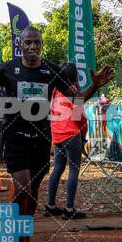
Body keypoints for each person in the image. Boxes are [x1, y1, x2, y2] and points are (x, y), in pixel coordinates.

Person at [0, 26, 113, 242]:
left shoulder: (51, 71)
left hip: (41, 139)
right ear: (20, 45)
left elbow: (78, 99)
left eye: (37, 43)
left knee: (32, 193)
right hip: (14, 137)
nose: (33, 47)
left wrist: (95, 86)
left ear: (41, 45)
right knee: (22, 186)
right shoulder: (7, 69)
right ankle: (16, 235)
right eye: (28, 43)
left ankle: (24, 236)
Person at [45, 62, 88, 220]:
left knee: (57, 168)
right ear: (74, 75)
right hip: (71, 134)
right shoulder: (74, 92)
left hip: (57, 134)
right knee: (74, 170)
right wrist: (83, 134)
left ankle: (50, 206)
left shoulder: (55, 92)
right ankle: (69, 209)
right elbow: (80, 117)